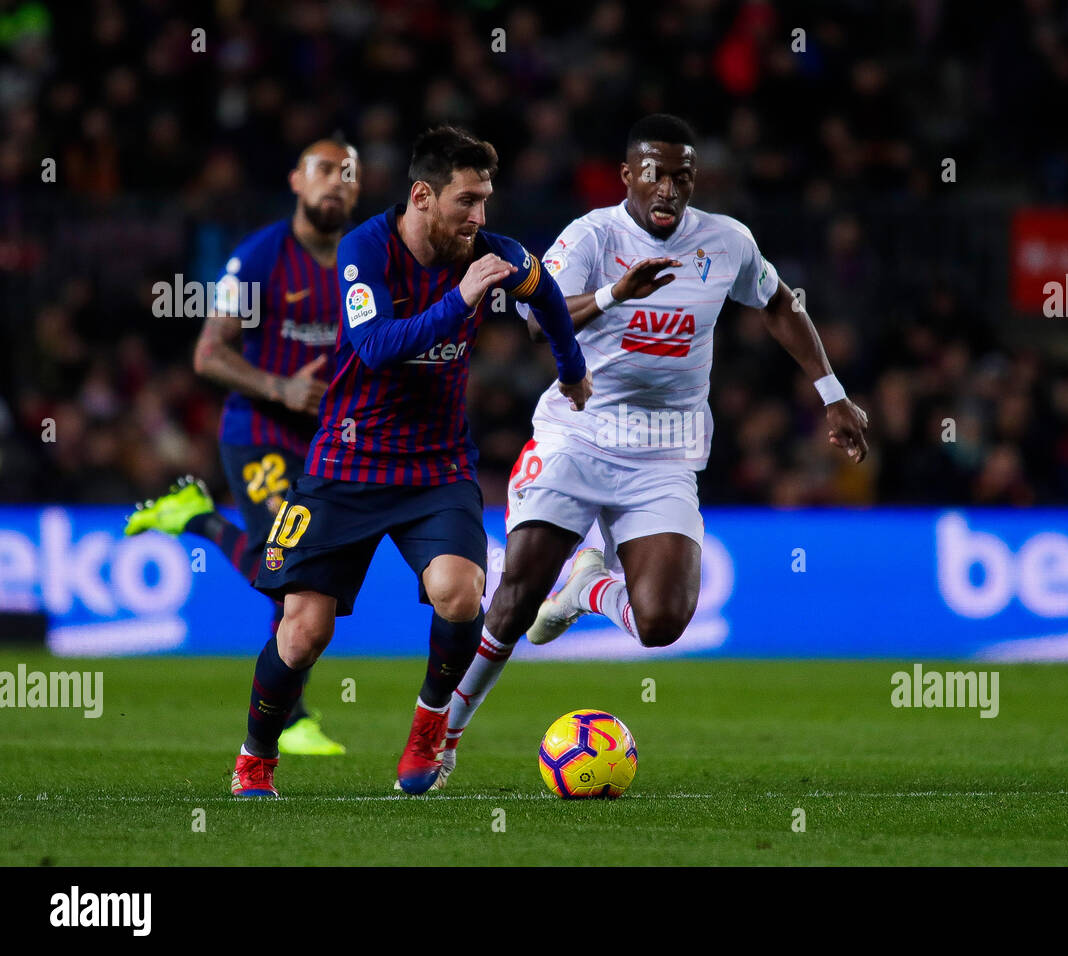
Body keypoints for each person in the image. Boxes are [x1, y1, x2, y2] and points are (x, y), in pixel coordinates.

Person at [436, 114, 869, 788]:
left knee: (662, 622)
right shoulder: (592, 236)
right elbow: (530, 317)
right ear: (627, 176)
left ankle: (591, 588)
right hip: (578, 431)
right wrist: (615, 292)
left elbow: (780, 303)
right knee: (517, 594)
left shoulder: (726, 242)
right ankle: (446, 735)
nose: (668, 187)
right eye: (654, 173)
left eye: (682, 175)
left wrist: (831, 393)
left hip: (666, 452)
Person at [228, 125, 591, 797]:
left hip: (437, 468)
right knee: (303, 632)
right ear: (423, 195)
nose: (479, 218)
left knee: (461, 593)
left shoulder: (493, 253)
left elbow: (545, 295)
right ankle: (255, 757)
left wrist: (572, 370)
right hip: (345, 463)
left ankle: (429, 726)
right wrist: (461, 300)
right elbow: (373, 347)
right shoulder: (364, 248)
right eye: (467, 201)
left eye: (485, 201)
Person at [125, 138, 361, 755]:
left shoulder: (366, 262)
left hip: (329, 443)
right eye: (323, 170)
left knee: (298, 580)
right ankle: (296, 717)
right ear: (295, 180)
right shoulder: (259, 258)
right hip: (260, 434)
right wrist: (278, 386)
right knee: (292, 571)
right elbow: (208, 352)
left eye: (348, 174)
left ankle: (195, 516)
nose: (335, 182)